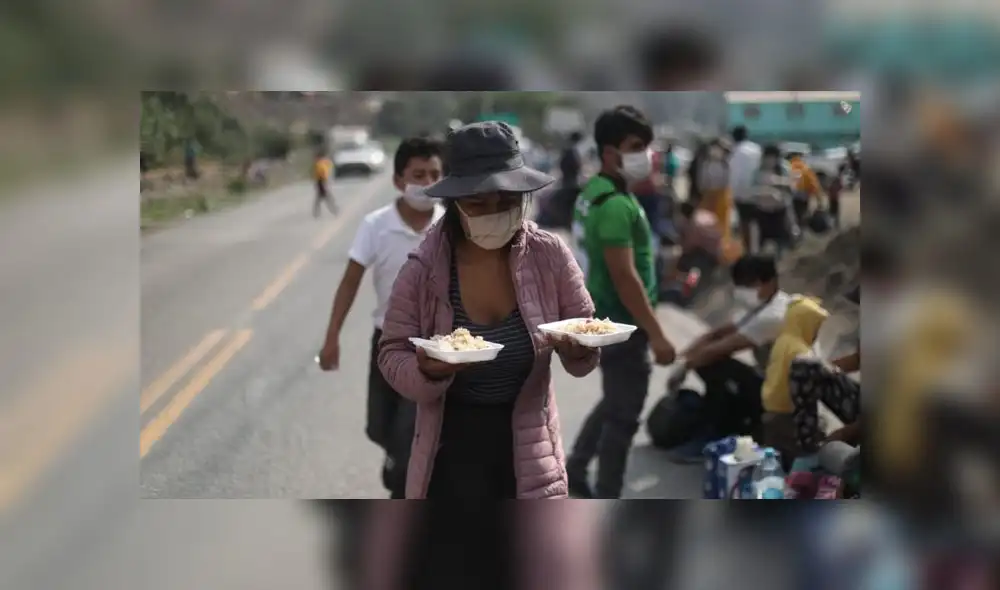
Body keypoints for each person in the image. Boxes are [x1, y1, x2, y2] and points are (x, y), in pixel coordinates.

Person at [377, 121, 599, 499]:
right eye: (479, 203)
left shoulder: (551, 255)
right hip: (451, 445)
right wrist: (425, 371)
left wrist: (579, 349)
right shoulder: (424, 268)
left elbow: (586, 330)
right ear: (455, 202)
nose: (495, 213)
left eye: (508, 202)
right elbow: (392, 351)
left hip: (529, 443)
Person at [317, 137, 445, 498]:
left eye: (436, 174)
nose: (429, 182)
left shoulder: (452, 226)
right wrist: (332, 338)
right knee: (379, 428)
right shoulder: (376, 225)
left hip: (434, 350)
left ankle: (405, 486)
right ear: (398, 181)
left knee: (411, 433)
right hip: (387, 343)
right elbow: (349, 283)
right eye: (419, 175)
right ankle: (400, 467)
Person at [567, 105, 677, 499]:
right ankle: (606, 492)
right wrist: (658, 334)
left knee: (614, 401)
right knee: (624, 418)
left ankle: (576, 467)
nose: (645, 154)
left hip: (604, 314)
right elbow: (625, 276)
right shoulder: (614, 205)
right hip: (624, 322)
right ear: (611, 152)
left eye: (647, 145)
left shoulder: (593, 193)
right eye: (636, 146)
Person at [665, 254, 794, 461]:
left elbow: (724, 347)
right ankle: (727, 424)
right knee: (712, 362)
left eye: (749, 285)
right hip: (773, 383)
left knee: (713, 364)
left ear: (770, 282)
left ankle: (716, 434)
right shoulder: (764, 305)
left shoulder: (774, 315)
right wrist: (684, 358)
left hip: (787, 395)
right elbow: (716, 334)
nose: (743, 291)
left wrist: (686, 366)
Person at [759, 296, 829, 463]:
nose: (816, 332)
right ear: (805, 323)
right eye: (815, 326)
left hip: (771, 409)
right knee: (822, 432)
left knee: (774, 455)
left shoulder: (783, 340)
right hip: (787, 414)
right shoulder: (800, 351)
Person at [728, 126, 762, 253]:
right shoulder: (756, 149)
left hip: (741, 193)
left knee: (744, 223)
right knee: (756, 223)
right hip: (758, 191)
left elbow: (735, 175)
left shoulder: (735, 152)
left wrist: (732, 193)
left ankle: (747, 250)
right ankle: (756, 248)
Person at [312, 149, 337, 217]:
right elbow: (329, 167)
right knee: (323, 198)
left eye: (316, 157)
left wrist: (321, 183)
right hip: (323, 182)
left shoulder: (319, 164)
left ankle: (333, 210)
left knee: (324, 198)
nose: (314, 158)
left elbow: (321, 174)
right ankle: (334, 209)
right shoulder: (325, 163)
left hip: (321, 182)